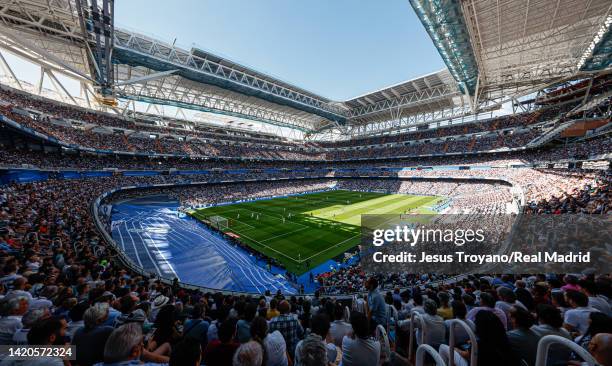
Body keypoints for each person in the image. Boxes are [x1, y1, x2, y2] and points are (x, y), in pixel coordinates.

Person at [439, 310, 520, 366]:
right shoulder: (504, 337)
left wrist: (454, 349)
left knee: (443, 347)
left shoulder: (481, 344)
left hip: (473, 362)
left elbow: (466, 355)